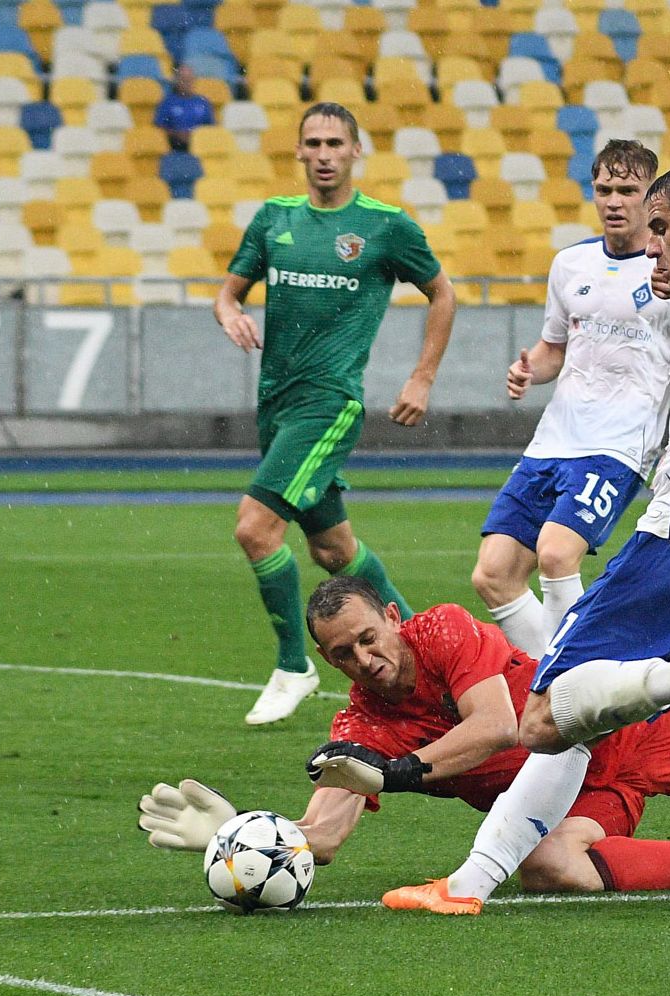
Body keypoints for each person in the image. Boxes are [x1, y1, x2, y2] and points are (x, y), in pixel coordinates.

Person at [380, 154, 670, 915]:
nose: (649, 249)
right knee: (582, 726)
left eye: (663, 230)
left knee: (547, 713)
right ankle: (467, 886)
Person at [139, 576, 670, 897]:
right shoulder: (359, 725)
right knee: (549, 870)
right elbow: (326, 837)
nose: (364, 659)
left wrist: (395, 773)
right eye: (342, 653)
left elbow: (497, 726)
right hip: (569, 801)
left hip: (625, 733)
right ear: (328, 660)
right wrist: (242, 838)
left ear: (394, 619)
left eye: (370, 638)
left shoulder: (445, 630)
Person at [213, 102, 456, 726]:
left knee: (254, 529)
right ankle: (429, 652)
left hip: (329, 405)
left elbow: (442, 291)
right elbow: (229, 288)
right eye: (313, 142)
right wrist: (229, 311)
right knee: (333, 548)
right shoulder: (274, 219)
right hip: (277, 405)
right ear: (298, 151)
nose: (323, 153)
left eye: (335, 143)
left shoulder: (385, 226)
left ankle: (294, 663)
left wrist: (422, 376)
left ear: (355, 151)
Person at [471, 141, 670, 659]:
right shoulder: (570, 264)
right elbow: (554, 349)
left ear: (652, 196)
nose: (614, 201)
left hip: (620, 444)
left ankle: (562, 712)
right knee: (493, 574)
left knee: (557, 554)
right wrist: (527, 370)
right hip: (554, 440)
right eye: (604, 189)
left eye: (628, 190)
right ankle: (580, 685)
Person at [153, 64, 214, 152]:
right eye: (183, 80)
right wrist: (177, 134)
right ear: (177, 81)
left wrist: (196, 136)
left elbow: (211, 127)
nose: (187, 83)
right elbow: (158, 128)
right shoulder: (167, 102)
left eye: (190, 80)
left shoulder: (203, 102)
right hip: (174, 148)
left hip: (201, 149)